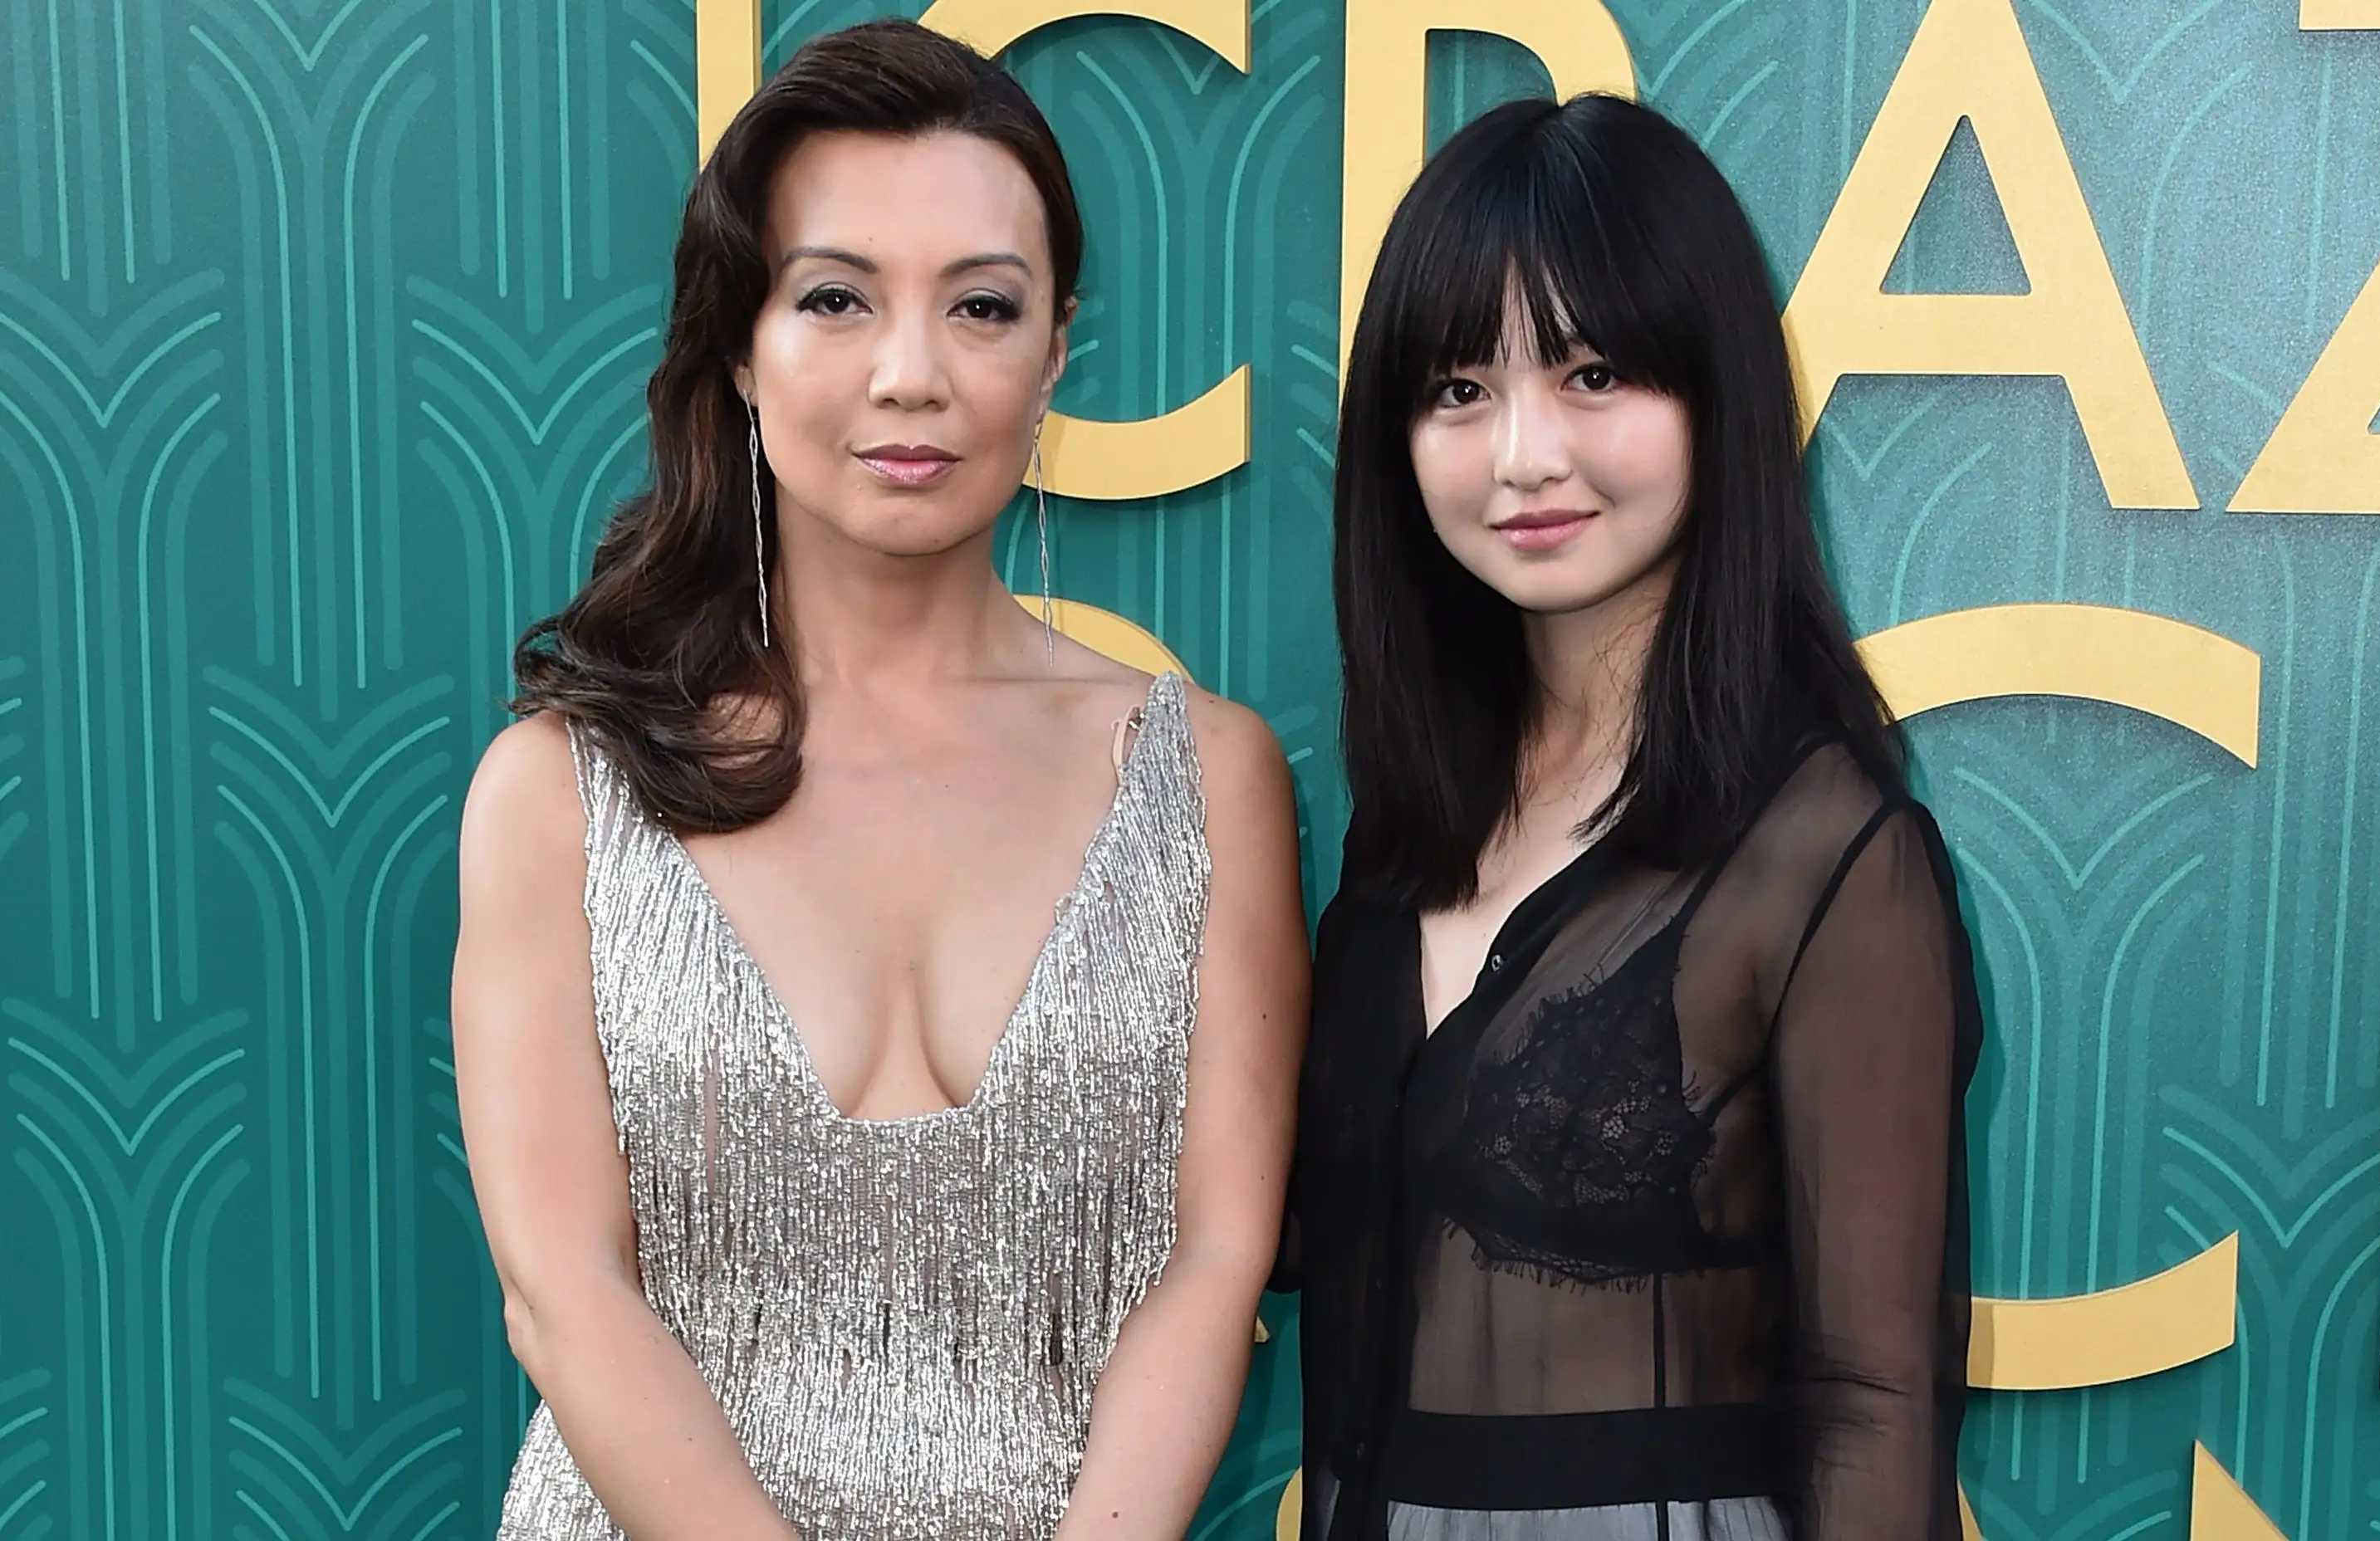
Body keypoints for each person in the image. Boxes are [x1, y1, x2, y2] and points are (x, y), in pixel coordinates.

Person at [450, 21, 1309, 1539]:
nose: (912, 376)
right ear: (741, 347)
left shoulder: (1205, 778)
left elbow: (1212, 1260)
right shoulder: (560, 791)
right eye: (835, 299)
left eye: (981, 306)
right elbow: (560, 1291)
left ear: (1055, 353)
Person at [1285, 93, 1981, 1541]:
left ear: (1714, 395)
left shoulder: (1825, 854)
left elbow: (1873, 1398)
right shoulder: (1403, 829)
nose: (1522, 454)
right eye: (1458, 389)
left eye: (1592, 373)